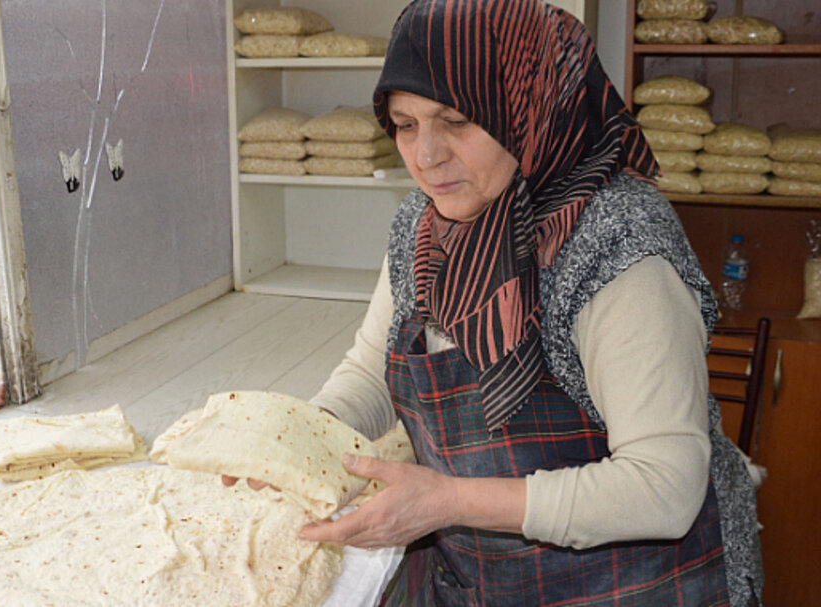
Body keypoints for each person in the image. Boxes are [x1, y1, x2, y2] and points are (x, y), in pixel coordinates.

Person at [289, 0, 764, 605]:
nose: (426, 156)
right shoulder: (424, 224)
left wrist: (448, 501)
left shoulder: (615, 242)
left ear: (531, 107)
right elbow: (371, 373)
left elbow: (664, 488)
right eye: (405, 124)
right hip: (485, 577)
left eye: (456, 119)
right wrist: (293, 443)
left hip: (640, 583)